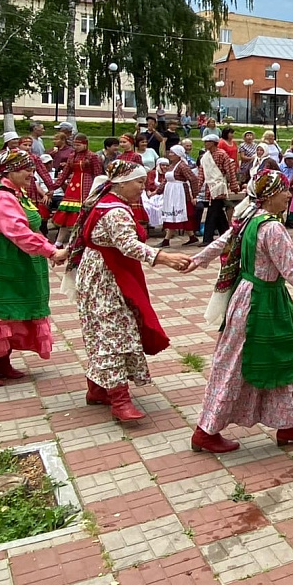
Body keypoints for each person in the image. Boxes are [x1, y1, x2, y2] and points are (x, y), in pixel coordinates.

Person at [186, 170, 293, 453]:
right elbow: (292, 271)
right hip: (260, 303)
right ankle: (206, 431)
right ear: (271, 195)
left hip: (253, 298)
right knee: (236, 364)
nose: (289, 194)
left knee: (280, 359)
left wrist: (195, 261)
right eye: (285, 190)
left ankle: (289, 425)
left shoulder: (249, 219)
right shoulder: (271, 228)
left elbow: (223, 242)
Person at [68, 159, 191, 421]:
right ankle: (119, 400)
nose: (142, 186)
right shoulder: (114, 211)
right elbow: (128, 246)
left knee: (102, 331)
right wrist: (166, 259)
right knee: (115, 334)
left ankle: (98, 387)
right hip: (108, 277)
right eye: (138, 182)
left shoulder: (104, 203)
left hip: (99, 273)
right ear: (122, 184)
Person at [0, 150, 68, 387]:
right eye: (24, 169)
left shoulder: (13, 192)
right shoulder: (2, 197)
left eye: (31, 168)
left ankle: (1, 361)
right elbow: (18, 230)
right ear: (9, 170)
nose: (30, 173)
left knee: (11, 306)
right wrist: (51, 251)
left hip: (11, 256)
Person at [51, 134, 105, 245]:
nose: (76, 147)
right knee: (67, 215)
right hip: (73, 187)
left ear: (85, 144)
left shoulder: (92, 156)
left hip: (87, 185)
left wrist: (97, 190)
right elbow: (65, 173)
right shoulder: (72, 156)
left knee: (84, 214)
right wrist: (54, 187)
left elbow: (98, 174)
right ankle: (59, 243)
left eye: (79, 145)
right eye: (75, 145)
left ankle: (81, 241)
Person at [199, 131, 239, 246]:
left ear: (214, 143)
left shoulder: (222, 154)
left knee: (212, 212)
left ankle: (207, 238)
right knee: (218, 213)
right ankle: (226, 235)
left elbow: (229, 171)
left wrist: (234, 185)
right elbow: (202, 173)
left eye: (208, 142)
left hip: (219, 187)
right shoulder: (205, 157)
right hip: (210, 187)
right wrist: (198, 188)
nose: (206, 144)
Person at [158, 144, 201, 246]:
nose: (170, 154)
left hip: (180, 193)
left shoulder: (182, 165)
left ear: (178, 155)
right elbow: (166, 180)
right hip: (171, 193)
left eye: (173, 153)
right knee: (176, 214)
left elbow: (193, 179)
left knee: (180, 214)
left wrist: (195, 195)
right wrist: (158, 191)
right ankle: (192, 237)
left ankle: (166, 240)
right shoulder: (171, 165)